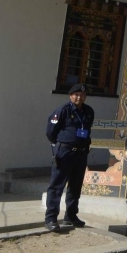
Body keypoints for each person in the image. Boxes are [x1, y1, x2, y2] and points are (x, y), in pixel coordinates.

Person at [44, 83, 95, 232]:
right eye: (76, 95)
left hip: (81, 153)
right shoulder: (63, 110)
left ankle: (71, 216)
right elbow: (50, 132)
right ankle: (51, 218)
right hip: (65, 152)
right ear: (71, 96)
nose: (79, 97)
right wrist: (62, 144)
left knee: (75, 186)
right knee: (57, 186)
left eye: (82, 95)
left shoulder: (89, 111)